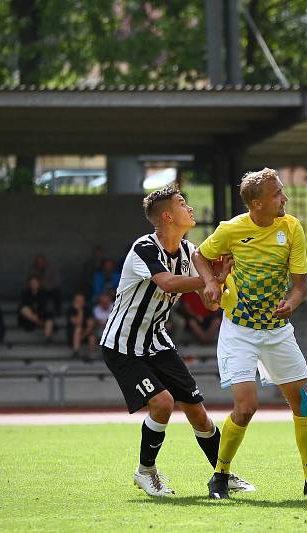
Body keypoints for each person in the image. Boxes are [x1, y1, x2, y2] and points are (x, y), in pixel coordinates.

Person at [194, 168, 307, 499]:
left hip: (278, 332)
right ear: (257, 203)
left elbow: (301, 286)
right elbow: (200, 255)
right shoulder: (230, 230)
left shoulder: (291, 228)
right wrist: (209, 282)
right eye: (278, 193)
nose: (285, 198)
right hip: (240, 331)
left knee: (304, 402)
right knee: (246, 407)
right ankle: (220, 476)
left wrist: (291, 303)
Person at [99, 185, 254, 498]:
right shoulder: (145, 247)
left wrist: (217, 284)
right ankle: (145, 473)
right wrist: (210, 279)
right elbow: (168, 283)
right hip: (123, 346)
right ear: (168, 216)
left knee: (198, 412)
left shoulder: (189, 252)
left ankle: (222, 475)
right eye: (184, 204)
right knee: (163, 403)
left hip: (157, 342)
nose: (191, 209)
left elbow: (210, 303)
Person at [18, 275, 54, 342]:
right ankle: (39, 322)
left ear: (38, 284)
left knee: (49, 317)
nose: (33, 285)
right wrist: (33, 313)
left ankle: (47, 336)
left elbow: (44, 305)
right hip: (29, 317)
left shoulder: (43, 293)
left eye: (35, 283)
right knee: (23, 309)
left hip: (41, 314)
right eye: (32, 283)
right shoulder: (25, 293)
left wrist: (38, 311)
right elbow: (23, 305)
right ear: (29, 284)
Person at [66, 292, 95, 361]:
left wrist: (83, 336)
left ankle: (90, 355)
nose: (79, 303)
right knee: (78, 330)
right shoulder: (70, 310)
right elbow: (78, 323)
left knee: (92, 338)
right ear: (74, 302)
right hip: (73, 335)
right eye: (77, 301)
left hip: (84, 334)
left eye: (81, 301)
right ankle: (76, 351)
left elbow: (90, 325)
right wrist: (80, 311)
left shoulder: (88, 309)